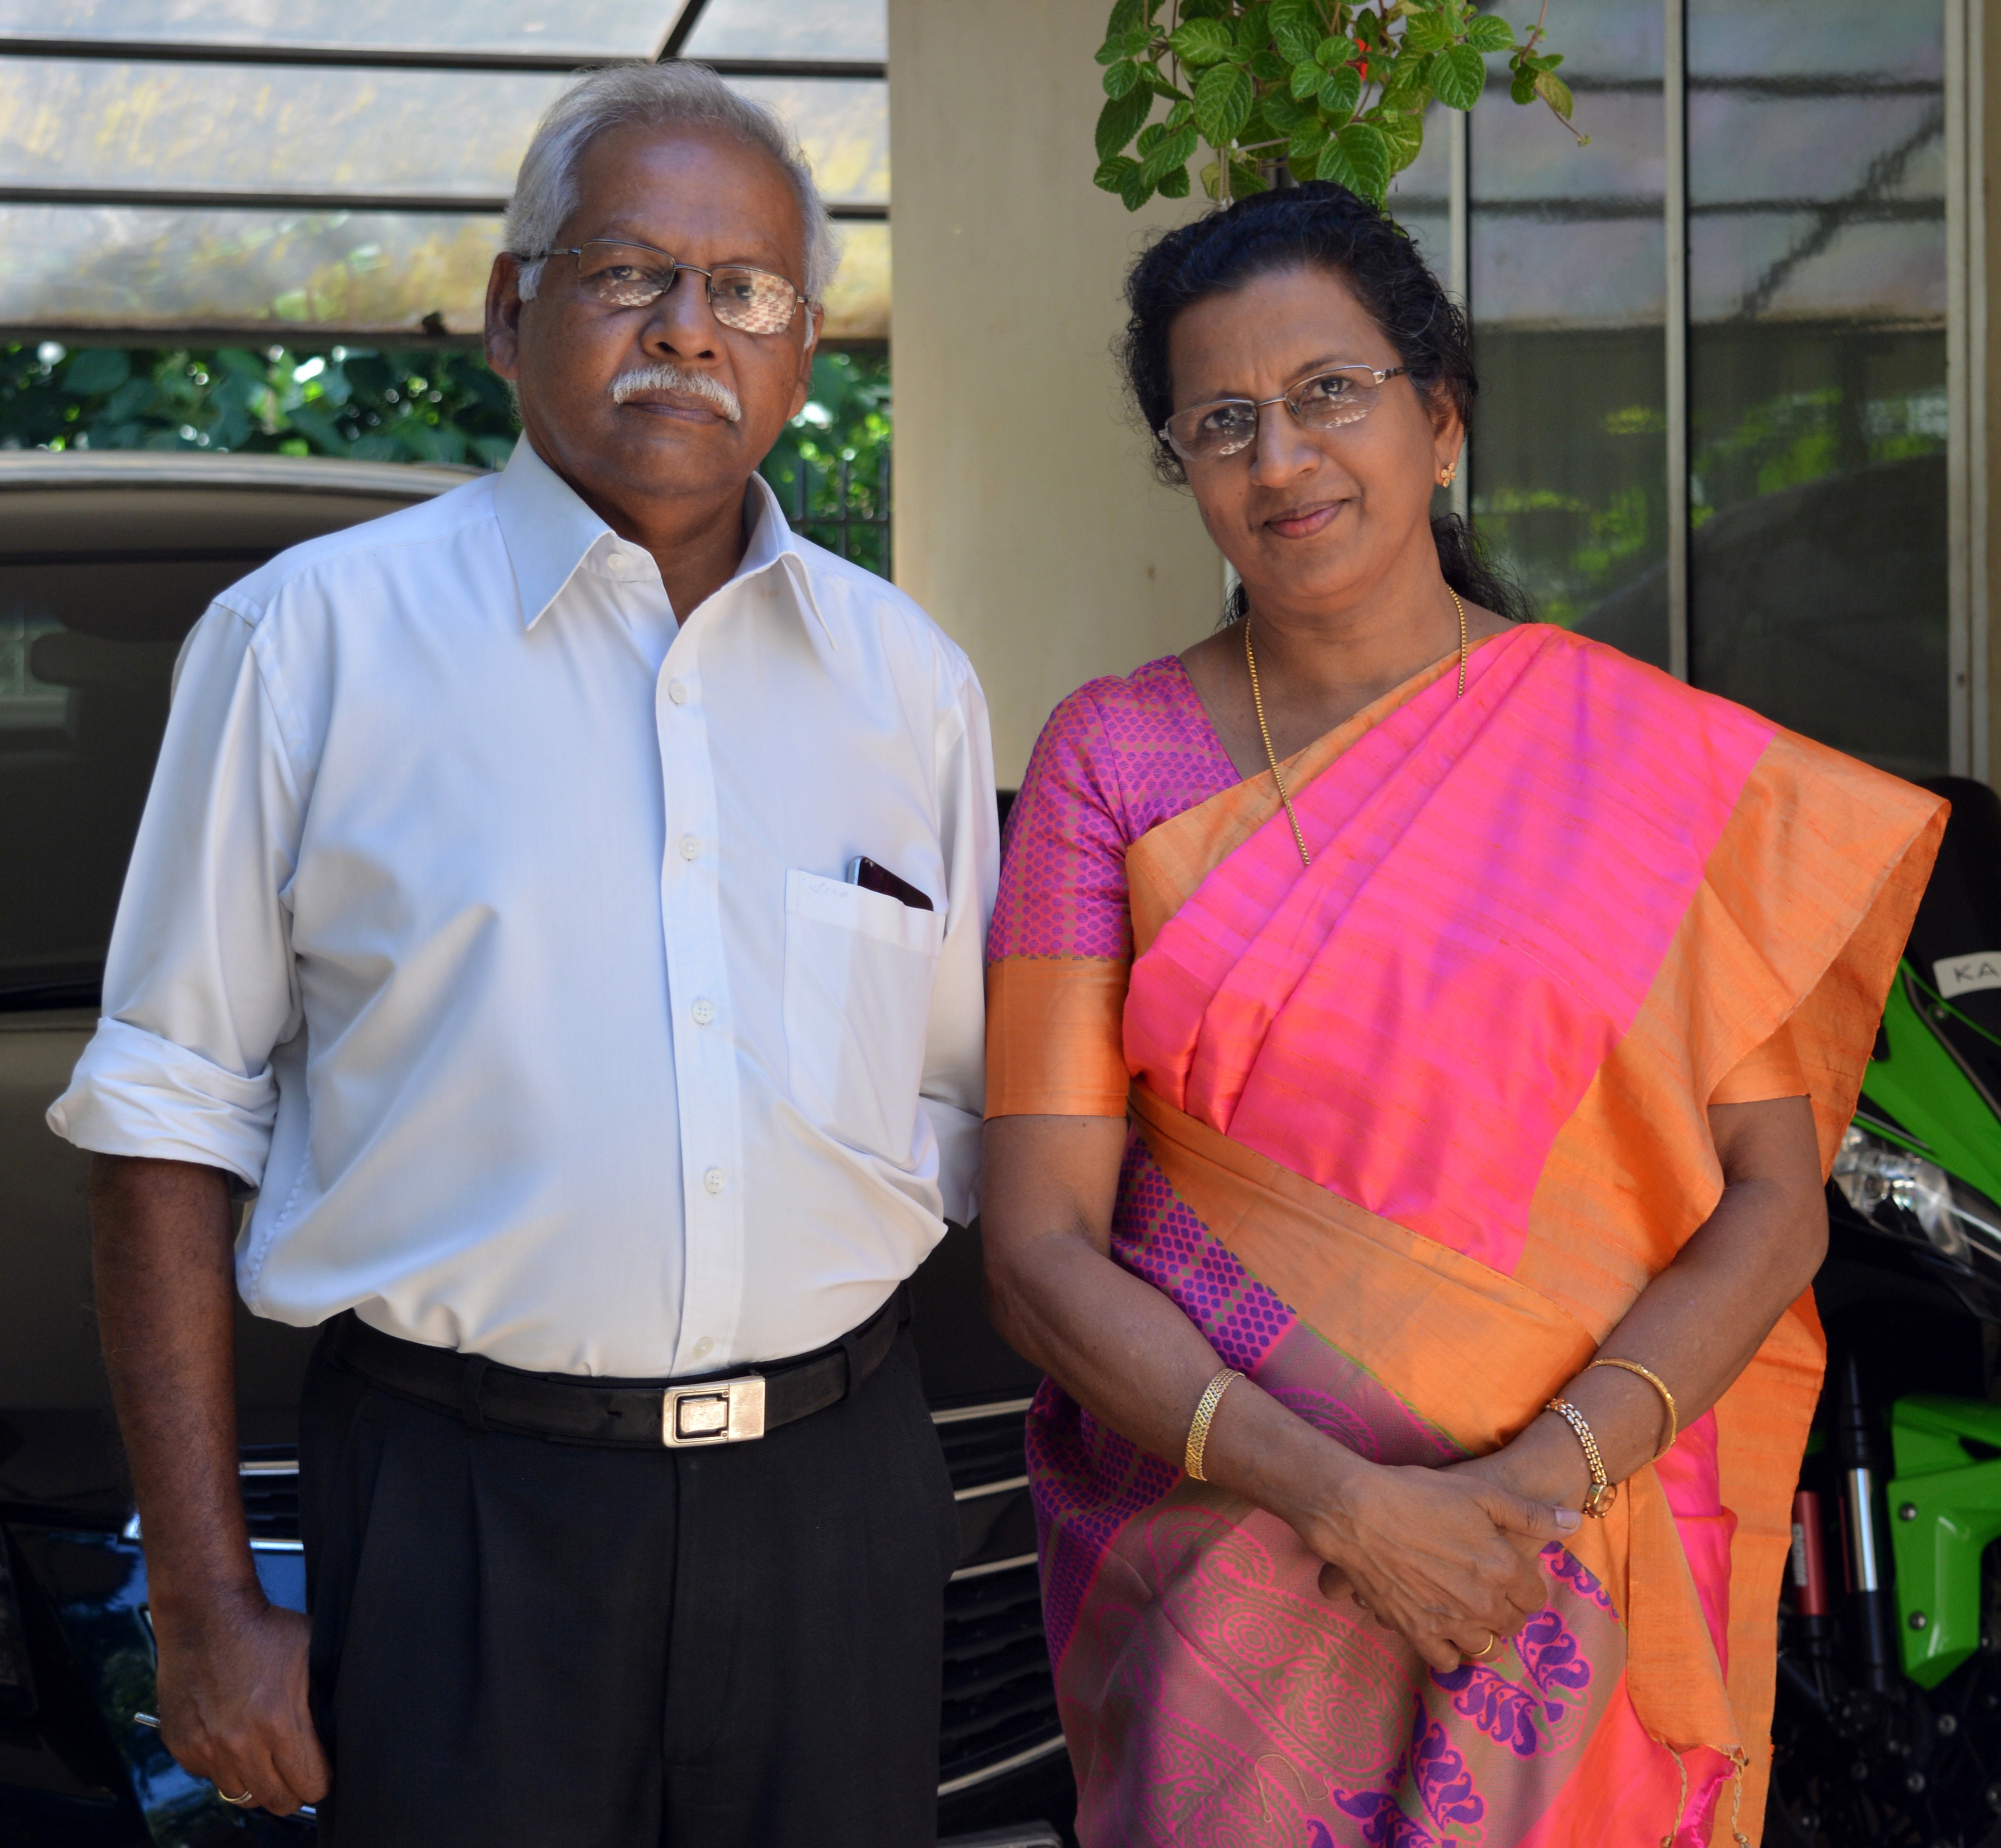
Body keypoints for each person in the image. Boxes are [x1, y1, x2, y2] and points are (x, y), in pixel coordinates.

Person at [47, 62, 995, 1848]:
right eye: (627, 272)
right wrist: (202, 1610)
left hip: (835, 1514)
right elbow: (167, 1121)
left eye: (746, 292)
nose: (687, 332)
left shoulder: (909, 686)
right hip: (462, 1523)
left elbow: (953, 1107)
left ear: (805, 348)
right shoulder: (308, 646)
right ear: (510, 308)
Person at [979, 182, 1942, 1847]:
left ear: (1441, 420)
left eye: (1330, 393)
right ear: (1186, 469)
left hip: (1555, 1560)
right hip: (1232, 1568)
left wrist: (1522, 1491)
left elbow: (1775, 1206)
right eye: (1224, 422)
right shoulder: (1112, 763)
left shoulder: (1649, 768)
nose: (1281, 459)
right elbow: (1040, 1243)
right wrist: (1342, 1500)